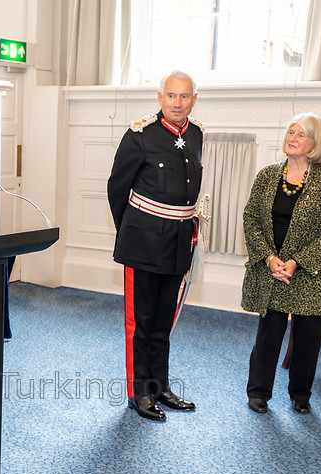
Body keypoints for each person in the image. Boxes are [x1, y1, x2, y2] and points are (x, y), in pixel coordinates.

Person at [107, 70, 202, 422]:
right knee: (141, 322)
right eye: (171, 96)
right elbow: (117, 189)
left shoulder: (196, 134)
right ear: (160, 98)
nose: (178, 103)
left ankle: (159, 385)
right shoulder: (139, 136)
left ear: (194, 99)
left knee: (164, 321)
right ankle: (138, 393)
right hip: (143, 242)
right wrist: (131, 231)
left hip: (179, 242)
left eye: (185, 96)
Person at [241, 112, 321, 415]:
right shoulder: (267, 175)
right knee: (268, 334)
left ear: (315, 143)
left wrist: (297, 261)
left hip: (310, 274)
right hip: (273, 271)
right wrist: (270, 259)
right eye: (291, 132)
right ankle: (258, 392)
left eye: (300, 134)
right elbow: (250, 218)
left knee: (307, 340)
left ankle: (300, 393)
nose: (292, 138)